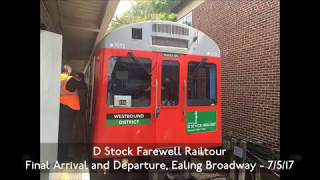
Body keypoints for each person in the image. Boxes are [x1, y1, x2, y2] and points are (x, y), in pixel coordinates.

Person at [58, 64, 87, 162]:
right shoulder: (69, 79)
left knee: (61, 134)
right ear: (69, 72)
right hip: (67, 111)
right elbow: (84, 85)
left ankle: (60, 156)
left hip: (61, 108)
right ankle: (62, 159)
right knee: (65, 136)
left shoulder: (57, 78)